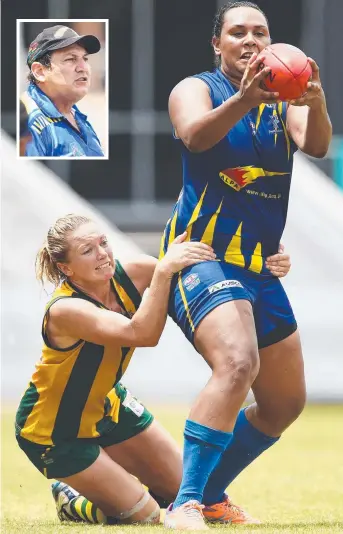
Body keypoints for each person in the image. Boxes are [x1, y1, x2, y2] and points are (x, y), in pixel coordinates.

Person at [158, 1, 332, 529]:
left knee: (284, 404)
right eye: (238, 32)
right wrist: (242, 98)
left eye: (261, 31)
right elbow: (196, 136)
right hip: (200, 257)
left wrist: (317, 101)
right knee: (236, 363)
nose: (250, 39)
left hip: (260, 267)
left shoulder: (285, 99)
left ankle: (209, 495)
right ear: (218, 43)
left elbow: (317, 145)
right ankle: (184, 503)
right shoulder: (195, 89)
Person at [15, 214, 291, 526]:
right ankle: (73, 501)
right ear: (65, 268)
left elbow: (206, 271)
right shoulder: (66, 309)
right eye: (87, 250)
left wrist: (263, 259)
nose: (103, 253)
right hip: (54, 429)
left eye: (103, 242)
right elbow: (141, 334)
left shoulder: (134, 273)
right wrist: (163, 270)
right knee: (145, 516)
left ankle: (113, 484)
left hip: (108, 406)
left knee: (191, 491)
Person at [23, 25, 104, 157]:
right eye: (71, 59)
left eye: (85, 58)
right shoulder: (29, 124)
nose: (83, 68)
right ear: (40, 71)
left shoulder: (75, 114)